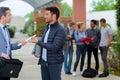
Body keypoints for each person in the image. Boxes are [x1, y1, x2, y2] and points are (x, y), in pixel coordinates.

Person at [30, 7, 65, 80]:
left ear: (54, 16)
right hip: (44, 62)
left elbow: (55, 47)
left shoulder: (60, 30)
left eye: (47, 14)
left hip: (54, 63)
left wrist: (38, 42)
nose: (44, 16)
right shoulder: (47, 28)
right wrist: (40, 52)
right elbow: (45, 42)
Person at [0, 7, 26, 80]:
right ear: (3, 17)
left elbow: (7, 46)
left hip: (6, 64)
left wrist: (19, 44)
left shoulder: (6, 29)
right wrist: (1, 54)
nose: (11, 17)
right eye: (9, 15)